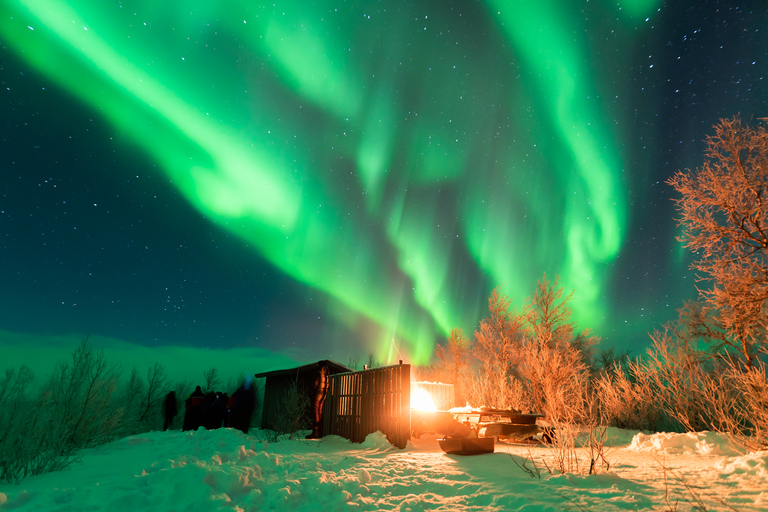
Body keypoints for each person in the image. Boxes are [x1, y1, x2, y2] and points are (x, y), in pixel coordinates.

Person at [306, 361, 330, 439]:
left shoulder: (318, 373)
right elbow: (328, 387)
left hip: (316, 395)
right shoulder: (326, 375)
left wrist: (310, 393)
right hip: (323, 396)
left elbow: (314, 384)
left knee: (315, 413)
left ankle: (315, 433)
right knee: (319, 413)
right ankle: (320, 432)